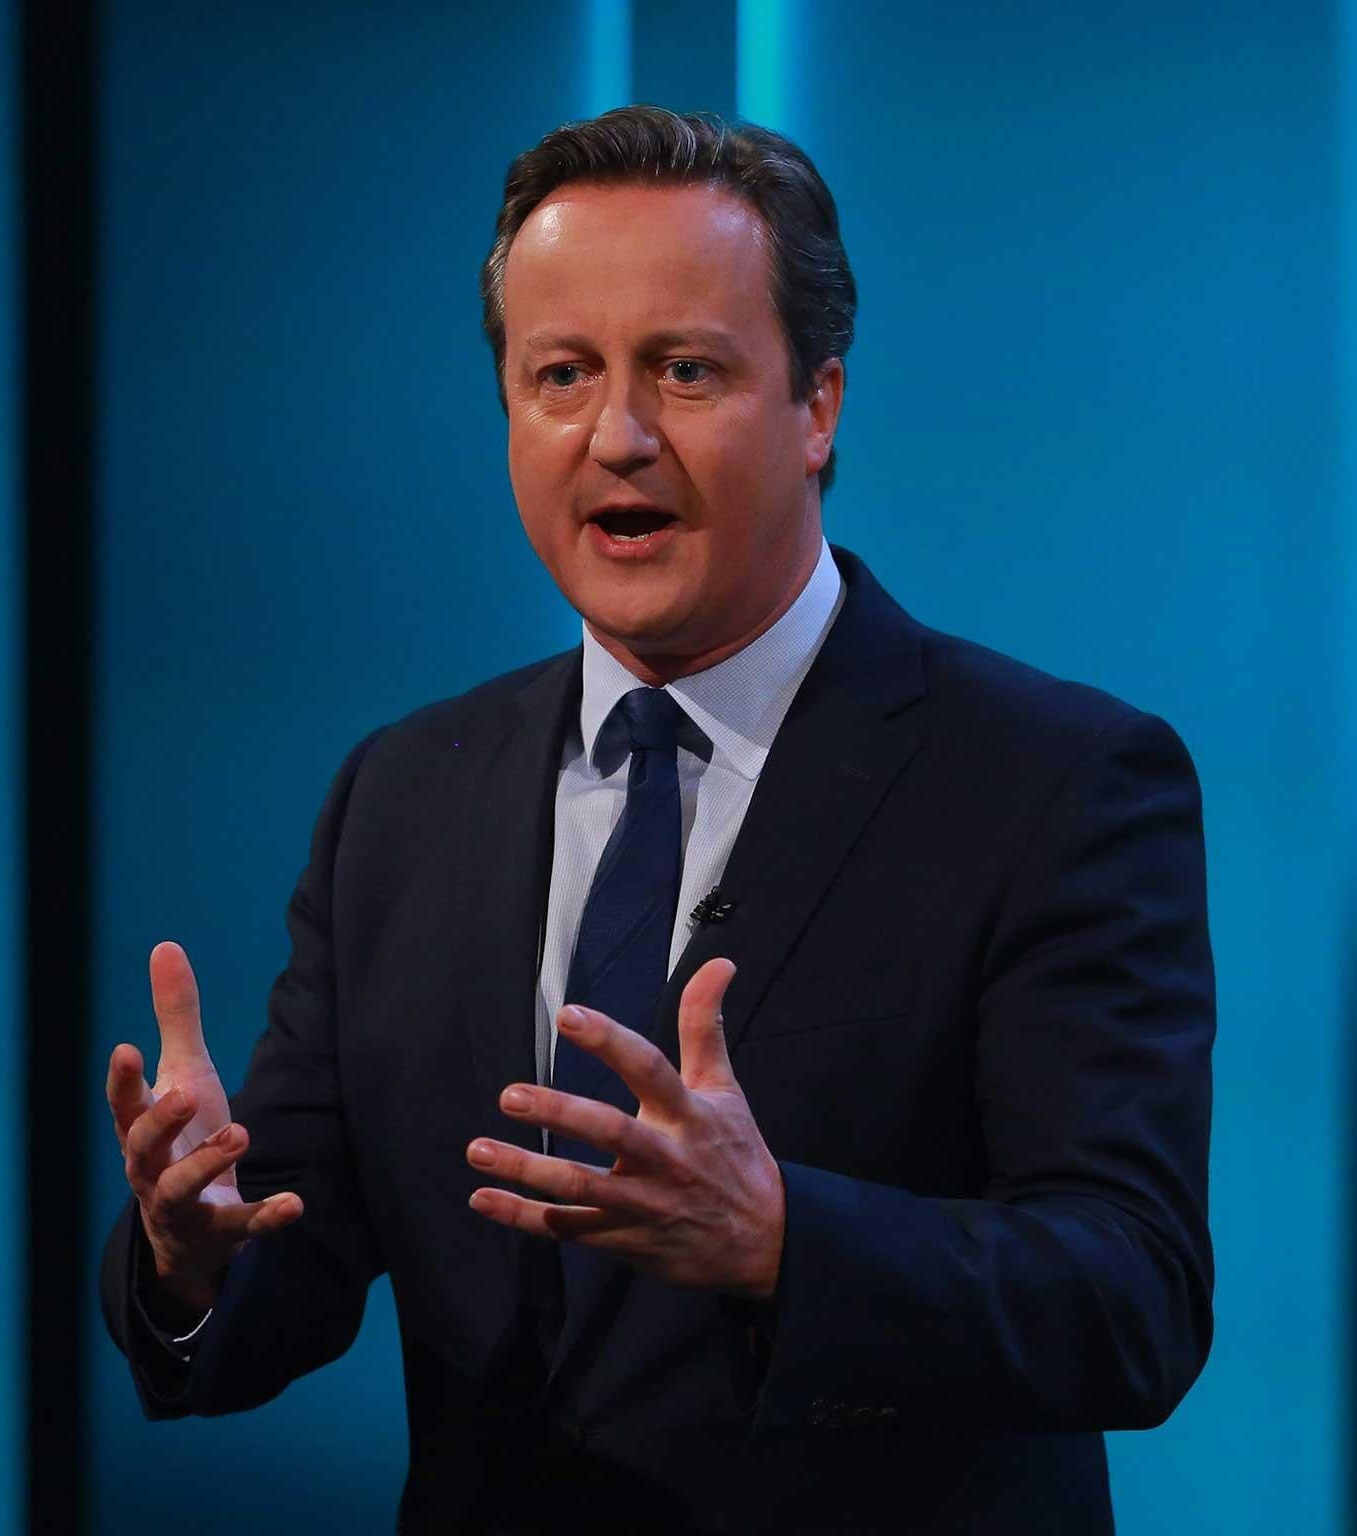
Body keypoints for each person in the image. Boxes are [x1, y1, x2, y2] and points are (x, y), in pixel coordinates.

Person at [100, 106, 1214, 1534]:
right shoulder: (401, 795)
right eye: (560, 375)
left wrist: (782, 1241)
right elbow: (284, 1274)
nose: (616, 437)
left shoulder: (1052, 781)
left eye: (685, 371)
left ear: (818, 405)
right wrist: (188, 1246)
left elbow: (1132, 1296)